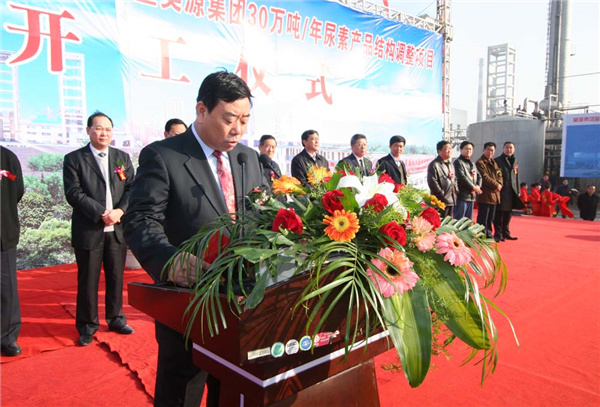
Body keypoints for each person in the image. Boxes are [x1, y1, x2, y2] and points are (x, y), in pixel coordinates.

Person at [122, 71, 269, 407]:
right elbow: (140, 220)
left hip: (242, 300)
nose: (238, 130)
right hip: (189, 303)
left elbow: (262, 214)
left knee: (230, 391)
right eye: (229, 119)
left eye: (245, 120)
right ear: (202, 110)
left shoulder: (247, 158)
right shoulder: (164, 156)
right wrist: (169, 260)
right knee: (182, 392)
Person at [63, 112, 135, 347]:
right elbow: (73, 193)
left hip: (117, 228)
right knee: (88, 280)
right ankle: (87, 326)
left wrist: (120, 211)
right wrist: (101, 213)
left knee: (116, 277)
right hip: (89, 228)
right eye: (99, 128)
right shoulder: (74, 159)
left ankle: (116, 319)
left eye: (108, 129)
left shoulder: (122, 158)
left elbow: (132, 189)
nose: (104, 133)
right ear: (88, 131)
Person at [1, 146, 24, 357]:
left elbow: (17, 191)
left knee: (6, 289)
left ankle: (7, 337)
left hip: (3, 231)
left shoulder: (7, 157)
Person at [493, 141, 524, 241]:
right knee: (499, 213)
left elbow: (516, 176)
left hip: (512, 191)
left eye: (511, 148)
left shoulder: (515, 161)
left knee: (508, 213)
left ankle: (505, 232)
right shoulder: (497, 161)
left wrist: (518, 190)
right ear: (503, 149)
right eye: (507, 147)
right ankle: (498, 234)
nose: (508, 149)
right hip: (501, 190)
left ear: (514, 150)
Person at [475, 142, 503, 239]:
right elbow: (484, 177)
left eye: (492, 150)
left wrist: (499, 184)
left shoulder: (494, 162)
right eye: (488, 149)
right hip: (485, 195)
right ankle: (481, 235)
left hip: (494, 194)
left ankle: (489, 233)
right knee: (483, 217)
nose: (490, 152)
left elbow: (499, 175)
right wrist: (496, 185)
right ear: (483, 150)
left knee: (491, 217)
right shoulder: (480, 163)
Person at [427, 140, 457, 218]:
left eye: (450, 148)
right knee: (440, 222)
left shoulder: (450, 164)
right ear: (439, 151)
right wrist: (441, 194)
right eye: (446, 149)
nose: (449, 151)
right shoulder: (434, 164)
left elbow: (455, 179)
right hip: (440, 200)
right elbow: (432, 182)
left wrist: (456, 190)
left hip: (451, 199)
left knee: (448, 222)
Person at [453, 141, 482, 220]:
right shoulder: (458, 162)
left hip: (471, 196)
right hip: (462, 196)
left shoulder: (472, 163)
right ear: (461, 150)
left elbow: (479, 176)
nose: (468, 151)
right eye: (466, 149)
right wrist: (473, 187)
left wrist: (478, 186)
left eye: (470, 149)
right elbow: (461, 177)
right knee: (459, 220)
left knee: (468, 221)